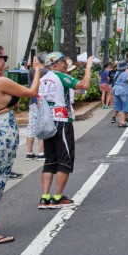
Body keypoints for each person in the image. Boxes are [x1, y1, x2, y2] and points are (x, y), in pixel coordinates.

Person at [0, 38, 42, 245]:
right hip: (1, 131)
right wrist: (37, 70)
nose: (4, 62)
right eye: (3, 58)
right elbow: (31, 92)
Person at [37, 52, 94, 210]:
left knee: (49, 160)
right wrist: (88, 67)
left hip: (47, 121)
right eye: (63, 61)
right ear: (54, 64)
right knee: (64, 160)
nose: (66, 64)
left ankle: (44, 197)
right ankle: (57, 197)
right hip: (61, 120)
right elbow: (84, 85)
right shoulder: (60, 77)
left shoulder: (42, 79)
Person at [111, 61, 128, 127]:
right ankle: (122, 122)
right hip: (125, 91)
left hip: (116, 91)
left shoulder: (117, 73)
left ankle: (121, 122)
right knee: (124, 107)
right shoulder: (126, 73)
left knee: (119, 107)